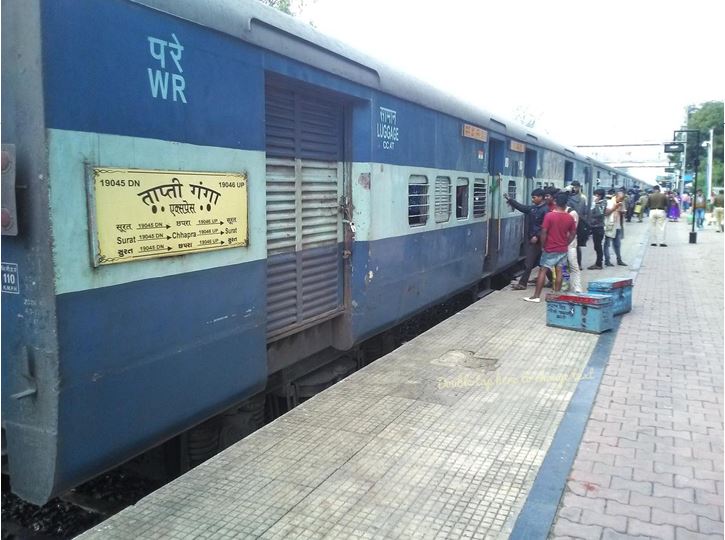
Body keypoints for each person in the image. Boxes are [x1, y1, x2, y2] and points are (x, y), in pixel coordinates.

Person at [524, 192, 577, 303]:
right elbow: (573, 233)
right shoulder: (569, 217)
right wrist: (566, 243)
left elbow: (544, 232)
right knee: (560, 271)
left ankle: (536, 296)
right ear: (566, 204)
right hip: (562, 249)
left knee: (542, 270)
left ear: (556, 202)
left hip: (550, 248)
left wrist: (543, 245)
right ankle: (556, 295)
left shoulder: (549, 216)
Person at [504, 188, 548, 290]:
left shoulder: (545, 210)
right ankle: (552, 281)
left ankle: (522, 284)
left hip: (538, 240)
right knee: (542, 262)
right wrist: (510, 200)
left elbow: (544, 227)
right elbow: (522, 208)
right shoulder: (534, 208)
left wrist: (537, 236)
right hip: (535, 240)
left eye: (534, 197)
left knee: (529, 263)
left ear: (541, 197)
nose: (532, 200)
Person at [567, 180, 588, 268]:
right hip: (581, 223)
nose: (574, 189)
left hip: (571, 223)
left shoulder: (568, 197)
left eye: (575, 187)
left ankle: (572, 265)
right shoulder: (583, 197)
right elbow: (585, 211)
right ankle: (578, 264)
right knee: (577, 245)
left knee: (571, 244)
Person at [603, 188, 627, 266]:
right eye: (620, 198)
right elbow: (606, 213)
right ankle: (607, 260)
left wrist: (622, 212)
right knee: (607, 244)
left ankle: (619, 260)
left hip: (617, 226)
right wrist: (615, 208)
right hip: (610, 226)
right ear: (616, 196)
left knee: (617, 244)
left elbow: (623, 213)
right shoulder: (609, 202)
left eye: (622, 199)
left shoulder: (622, 203)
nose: (621, 200)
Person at [564, 201, 584, 293]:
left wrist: (567, 242)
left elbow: (573, 230)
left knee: (573, 265)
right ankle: (565, 285)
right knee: (563, 266)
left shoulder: (572, 213)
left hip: (570, 244)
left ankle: (577, 286)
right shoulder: (556, 211)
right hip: (562, 243)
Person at [587, 188, 607, 269]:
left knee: (598, 246)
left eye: (597, 195)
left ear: (600, 196)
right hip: (594, 227)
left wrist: (596, 204)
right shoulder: (595, 203)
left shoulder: (603, 203)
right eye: (594, 195)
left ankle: (599, 264)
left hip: (599, 227)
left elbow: (599, 213)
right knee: (596, 246)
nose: (595, 197)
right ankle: (598, 263)